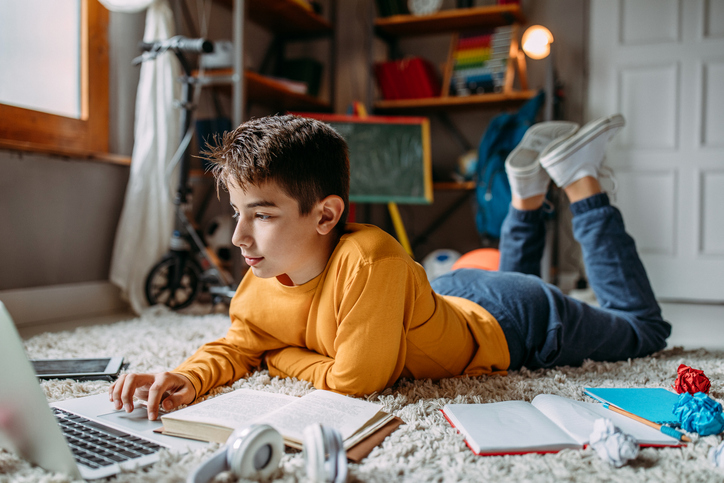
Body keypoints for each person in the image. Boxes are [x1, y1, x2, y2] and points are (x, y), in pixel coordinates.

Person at [110, 114, 671, 421]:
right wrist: (186, 375)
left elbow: (356, 382)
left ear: (326, 214)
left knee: (643, 330)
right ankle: (525, 194)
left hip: (514, 319)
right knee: (500, 280)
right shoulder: (261, 276)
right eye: (237, 213)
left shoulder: (371, 258)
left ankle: (579, 182)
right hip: (448, 293)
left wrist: (277, 355)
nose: (238, 237)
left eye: (261, 215)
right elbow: (238, 344)